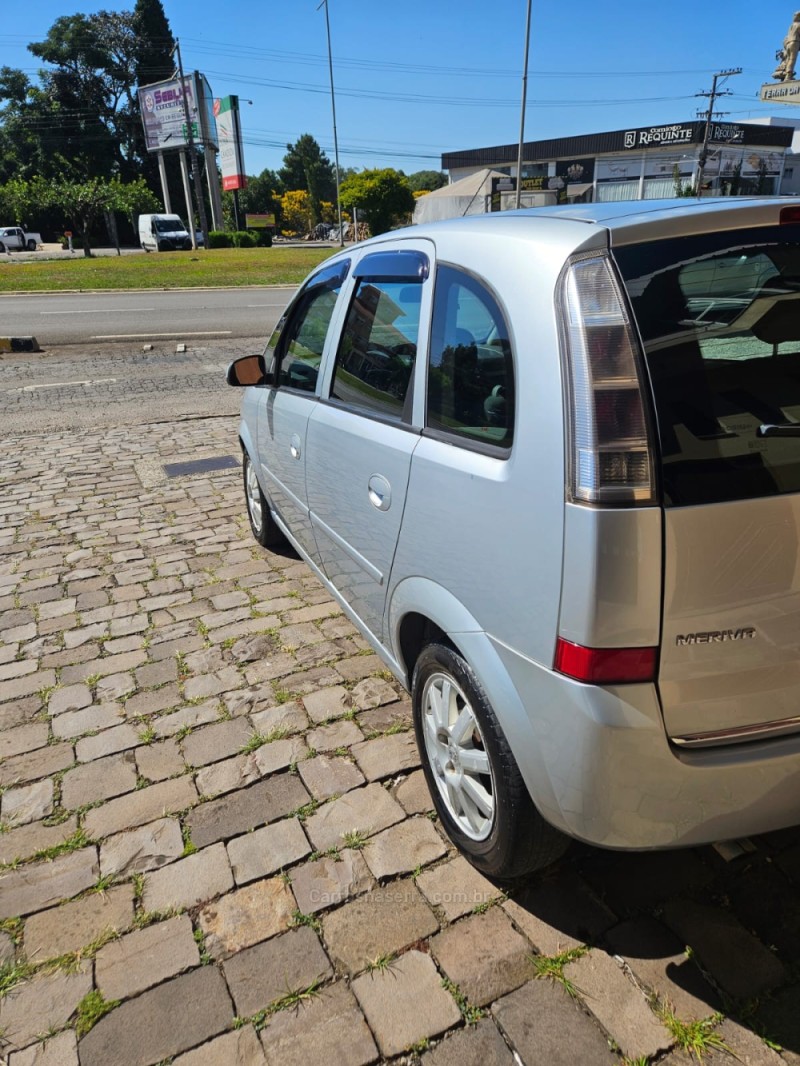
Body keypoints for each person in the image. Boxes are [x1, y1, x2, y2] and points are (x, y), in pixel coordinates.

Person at [774, 11, 800, 81]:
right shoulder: (798, 25)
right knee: (792, 59)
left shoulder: (791, 26)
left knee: (788, 60)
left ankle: (787, 75)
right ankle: (788, 76)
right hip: (794, 42)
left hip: (788, 44)